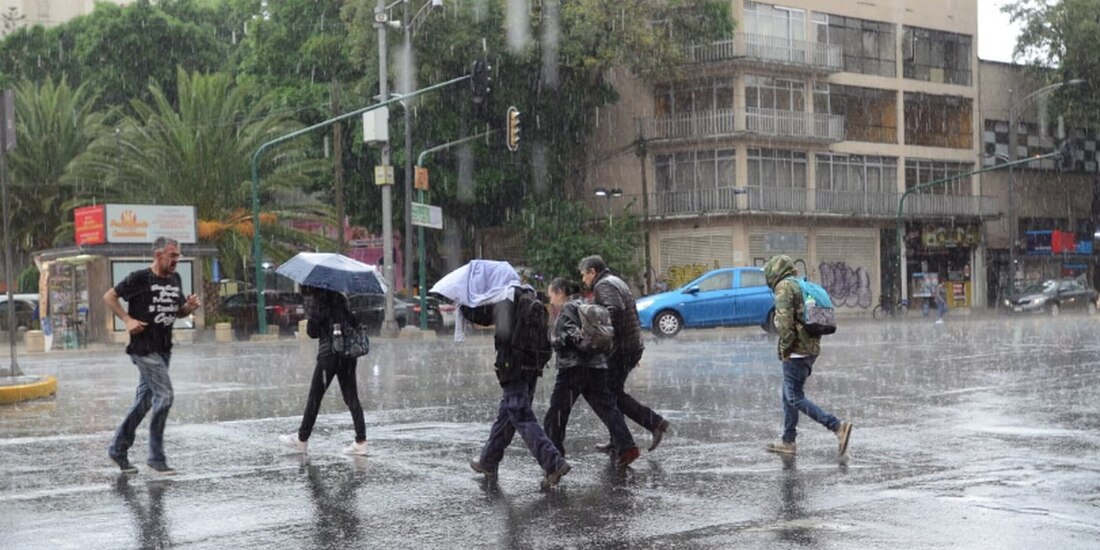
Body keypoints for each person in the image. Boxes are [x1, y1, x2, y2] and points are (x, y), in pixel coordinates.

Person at [105, 237, 201, 475]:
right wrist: (127, 320)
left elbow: (178, 312)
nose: (176, 260)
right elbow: (109, 296)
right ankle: (156, 458)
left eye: (178, 255)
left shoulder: (175, 279)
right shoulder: (140, 278)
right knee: (165, 396)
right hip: (143, 348)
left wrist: (189, 307)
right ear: (158, 256)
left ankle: (118, 449)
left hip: (163, 348)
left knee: (145, 402)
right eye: (172, 255)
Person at [464, 286, 571, 490]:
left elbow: (482, 317)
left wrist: (463, 304)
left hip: (512, 364)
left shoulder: (505, 297)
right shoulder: (528, 296)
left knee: (520, 414)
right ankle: (488, 461)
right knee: (508, 414)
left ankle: (553, 463)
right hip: (531, 364)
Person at [542, 278, 639, 466]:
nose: (551, 300)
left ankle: (553, 457)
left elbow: (571, 336)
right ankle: (628, 447)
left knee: (556, 414)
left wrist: (556, 340)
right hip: (597, 366)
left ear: (561, 292)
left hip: (573, 368)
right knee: (607, 409)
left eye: (551, 295)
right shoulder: (590, 304)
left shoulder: (569, 308)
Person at [762, 254, 852, 458]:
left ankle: (837, 426)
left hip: (796, 351)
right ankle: (788, 441)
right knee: (788, 395)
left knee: (794, 396)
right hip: (810, 347)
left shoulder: (784, 287)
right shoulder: (799, 284)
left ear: (774, 271)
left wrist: (784, 350)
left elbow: (784, 325)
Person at [579, 255, 670, 454]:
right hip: (629, 346)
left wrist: (603, 337)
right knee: (612, 392)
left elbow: (615, 311)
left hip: (621, 349)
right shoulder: (616, 281)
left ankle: (653, 423)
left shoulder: (603, 285)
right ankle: (618, 438)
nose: (583, 280)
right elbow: (630, 313)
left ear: (593, 272)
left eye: (584, 275)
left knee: (609, 394)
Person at [279, 285, 368, 456]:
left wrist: (315, 319)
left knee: (315, 397)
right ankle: (361, 441)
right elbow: (354, 323)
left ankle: (302, 440)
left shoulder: (319, 300)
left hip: (329, 354)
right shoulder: (342, 298)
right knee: (351, 397)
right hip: (348, 354)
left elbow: (312, 332)